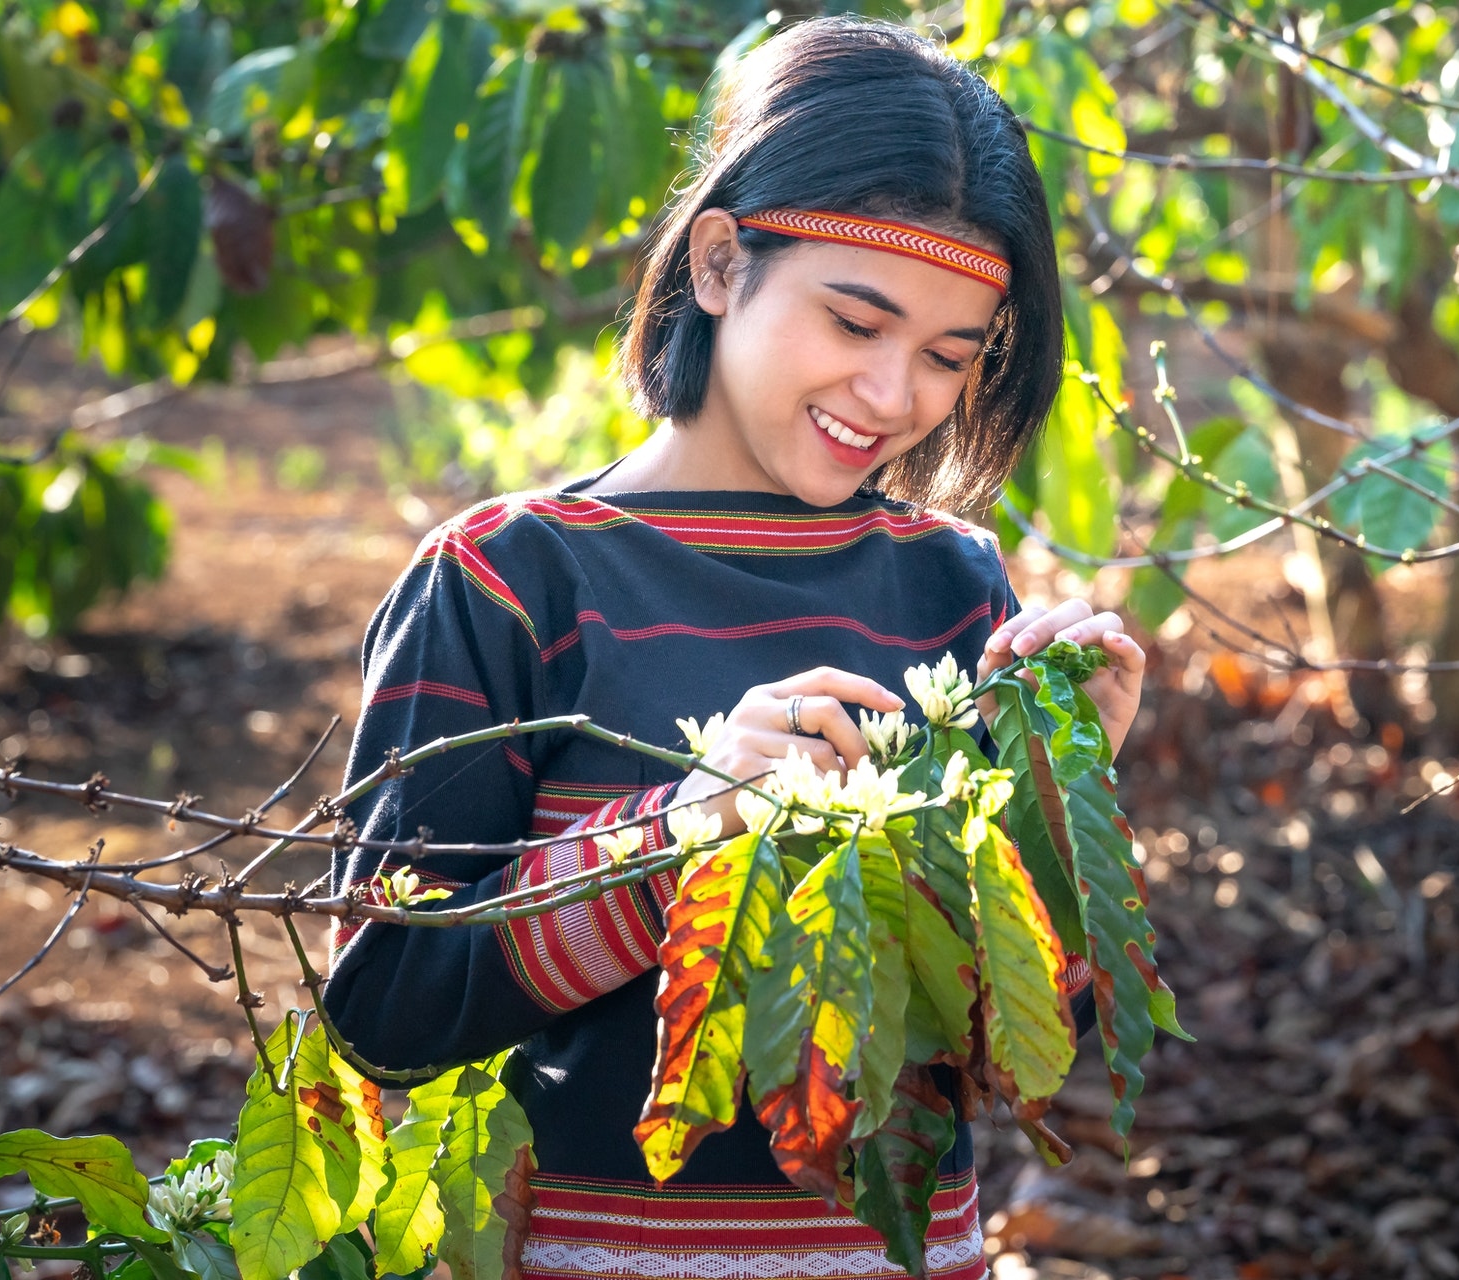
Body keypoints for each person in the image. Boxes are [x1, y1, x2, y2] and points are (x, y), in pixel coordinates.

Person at [325, 16, 1147, 1279]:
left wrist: (1061, 793)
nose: (893, 396)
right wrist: (675, 835)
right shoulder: (506, 580)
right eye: (854, 322)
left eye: (948, 356)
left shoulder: (953, 581)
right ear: (719, 263)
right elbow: (384, 1009)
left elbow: (1007, 1050)